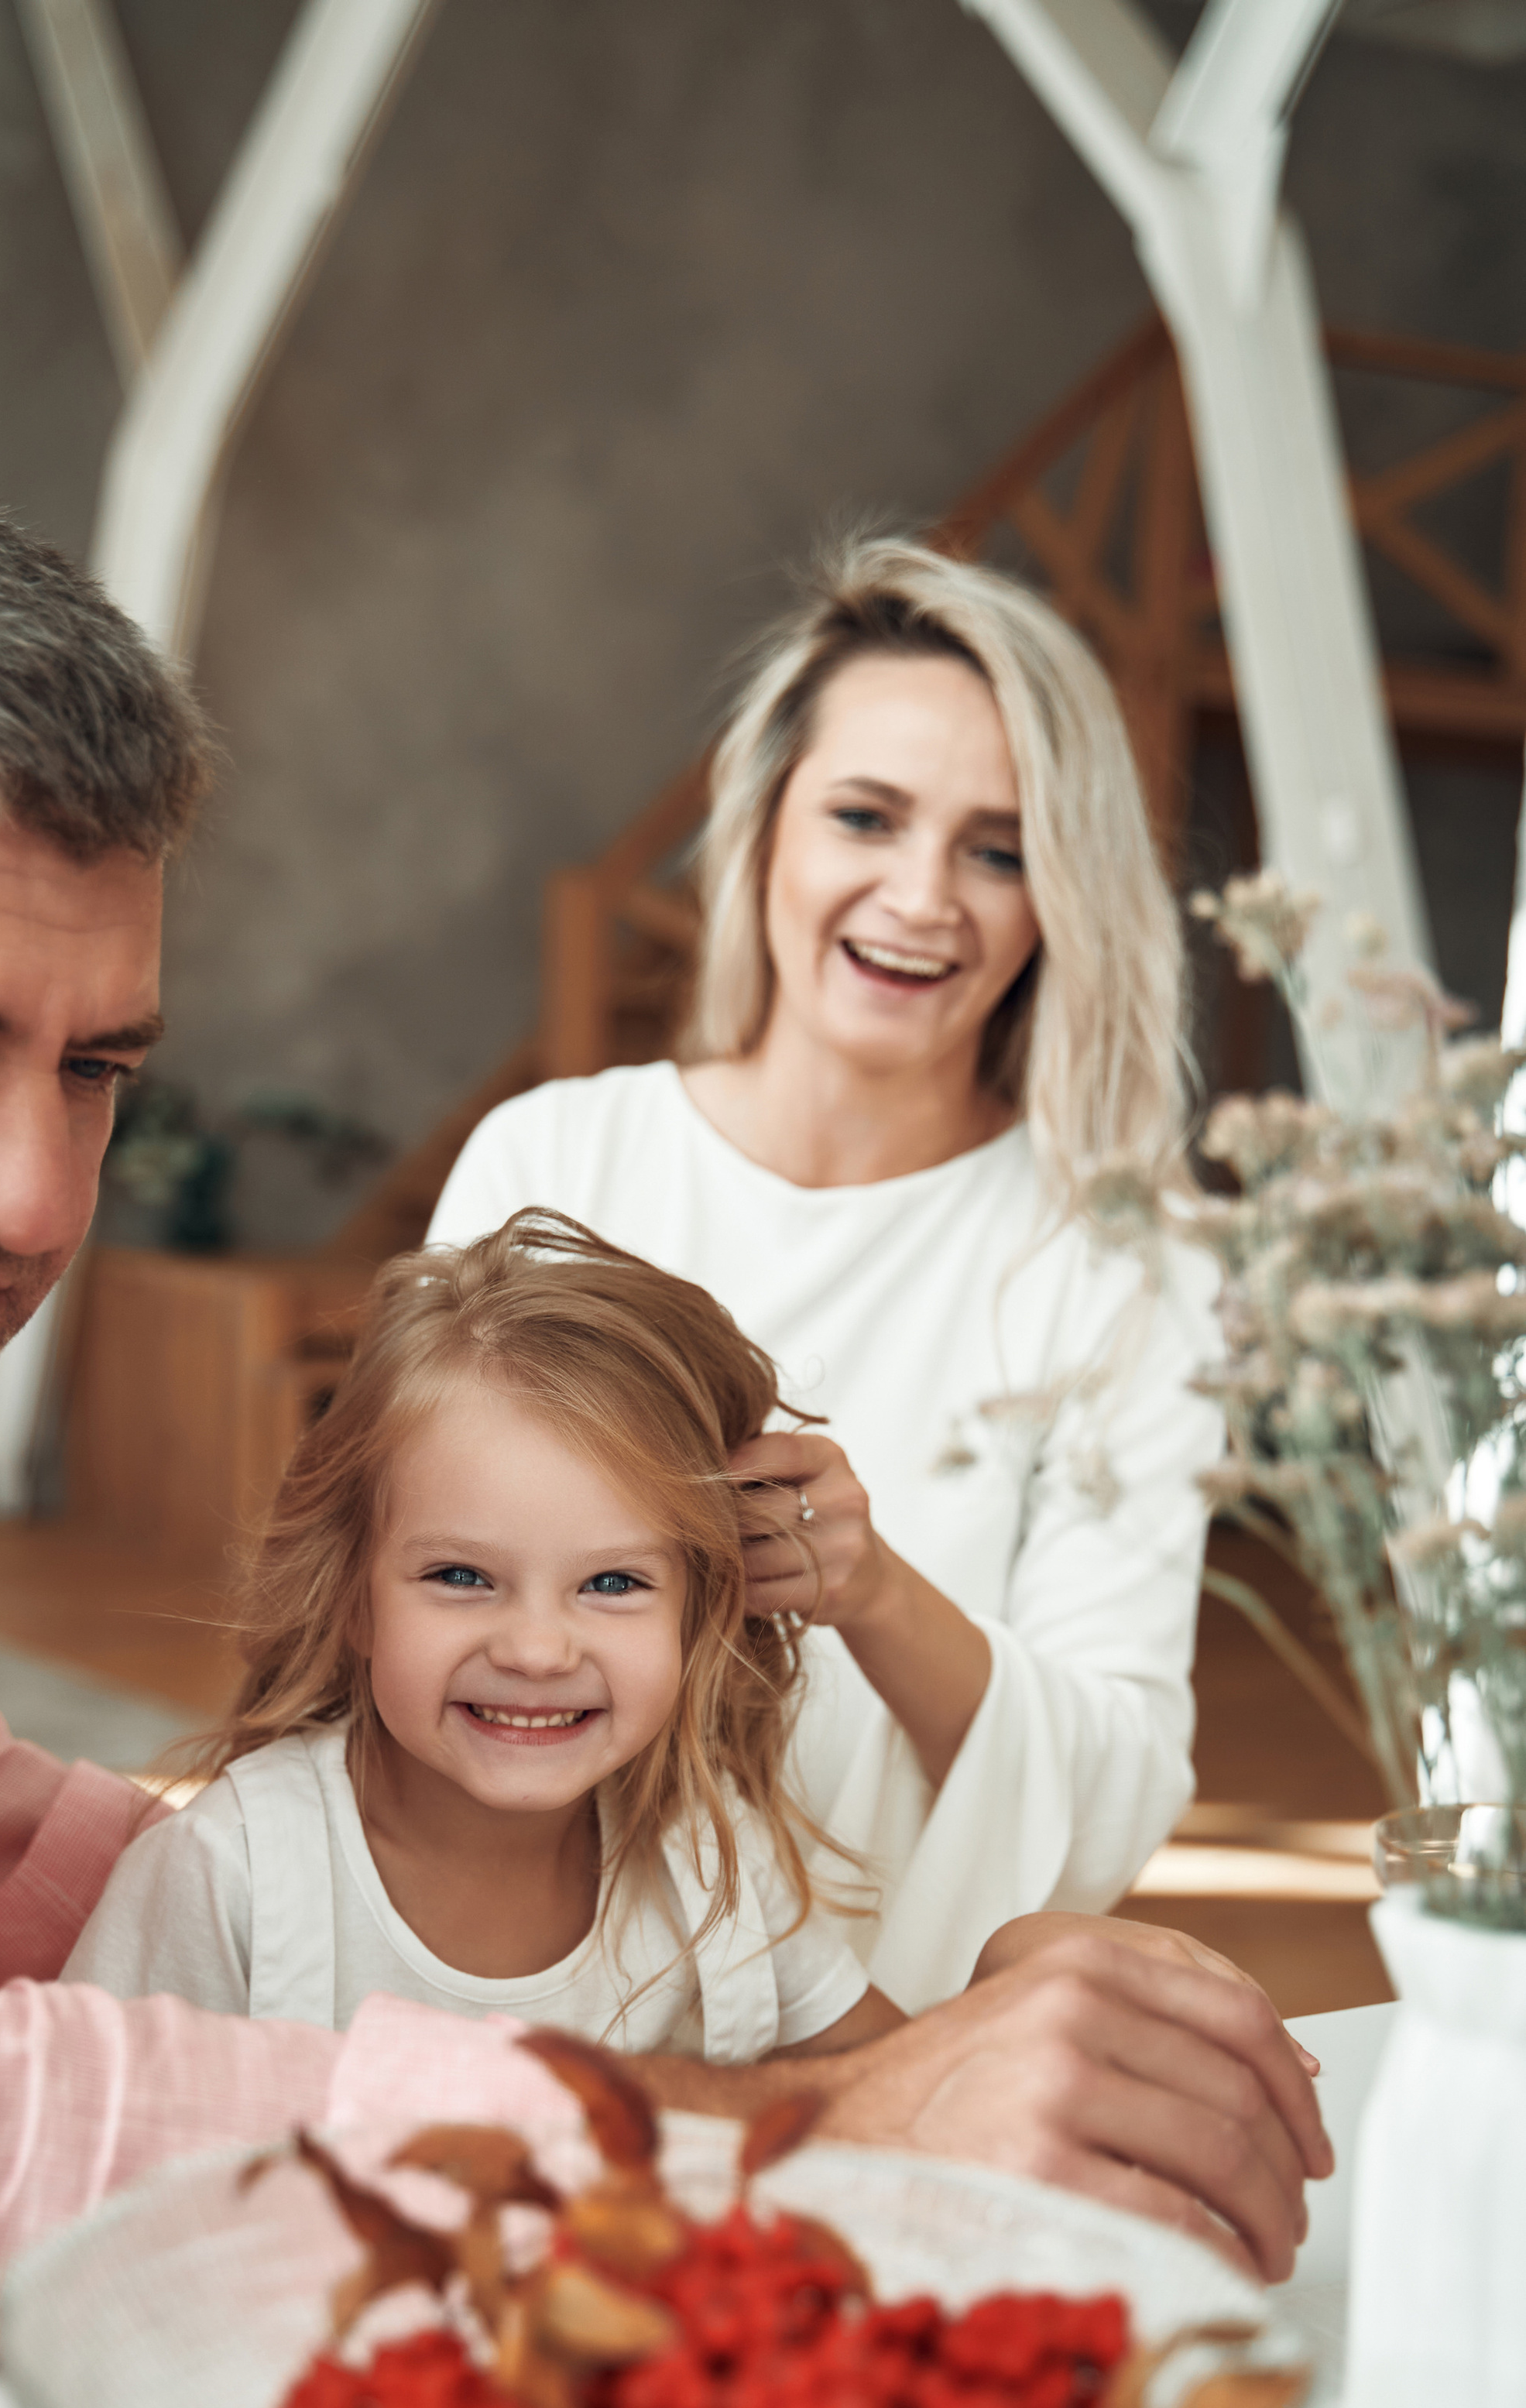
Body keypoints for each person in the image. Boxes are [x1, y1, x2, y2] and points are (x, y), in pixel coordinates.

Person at [0, 461, 1326, 2366]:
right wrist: (802, 2138)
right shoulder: (559, 1150)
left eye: (95, 1070)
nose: (39, 1200)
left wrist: (215, 1896)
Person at [430, 535, 1221, 2015]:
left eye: (999, 848)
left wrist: (873, 1592)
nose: (924, 896)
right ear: (769, 829)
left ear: (1062, 896)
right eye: (868, 817)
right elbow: (389, 1596)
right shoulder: (553, 1165)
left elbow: (1114, 1801)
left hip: (896, 2035)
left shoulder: (1122, 1266)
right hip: (505, 1999)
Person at [67, 1211, 890, 2056]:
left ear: (701, 1612)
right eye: (461, 1578)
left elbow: (902, 2096)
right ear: (351, 1596)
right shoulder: (227, 1875)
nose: (536, 1652)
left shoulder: (711, 1858)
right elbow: (74, 2153)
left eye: (612, 1583)